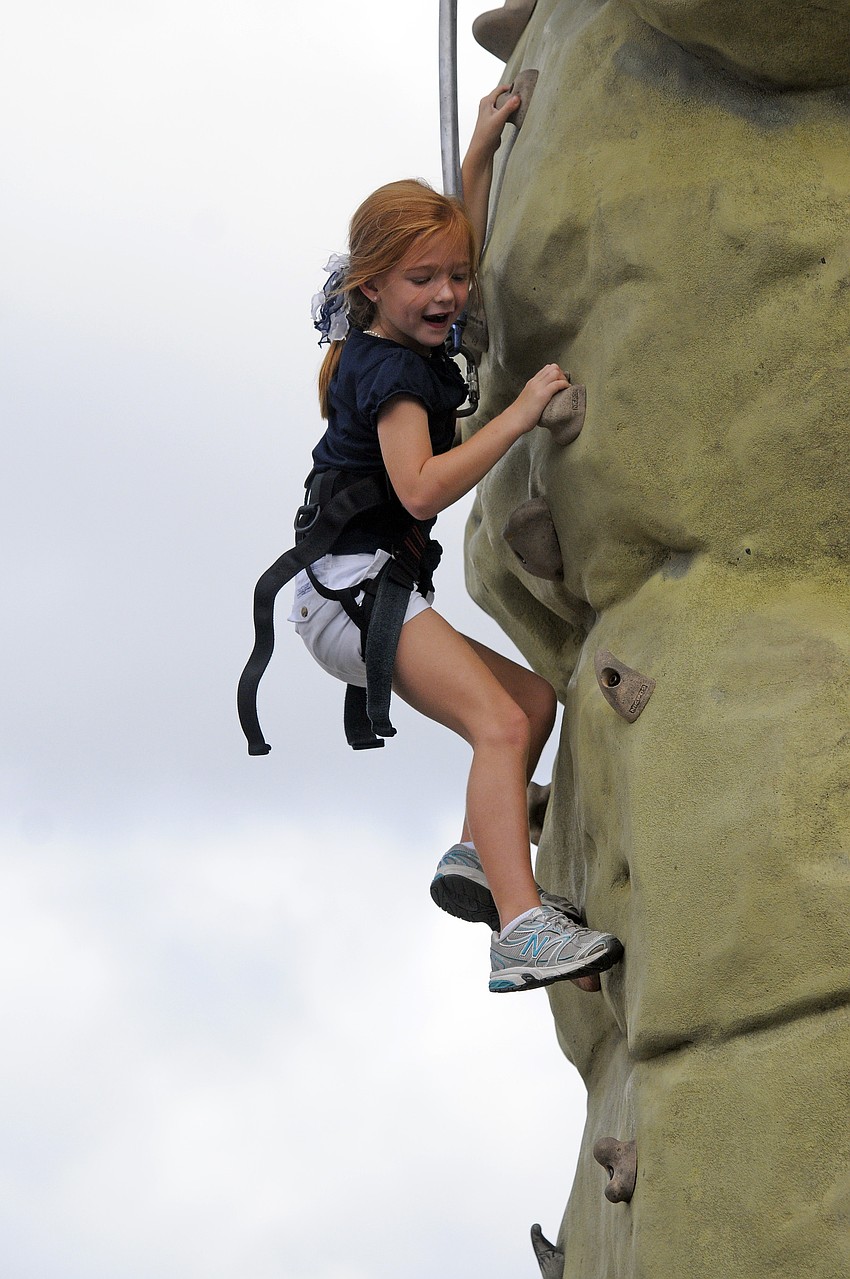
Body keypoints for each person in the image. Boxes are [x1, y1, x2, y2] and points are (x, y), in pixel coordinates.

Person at [288, 87, 623, 993]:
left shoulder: (402, 326)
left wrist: (479, 152)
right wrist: (516, 416)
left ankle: (481, 856)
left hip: (366, 586)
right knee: (501, 724)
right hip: (352, 589)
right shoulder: (392, 371)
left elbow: (457, 237)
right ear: (371, 287)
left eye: (456, 278)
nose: (448, 294)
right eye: (423, 281)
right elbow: (421, 486)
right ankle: (519, 927)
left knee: (533, 702)